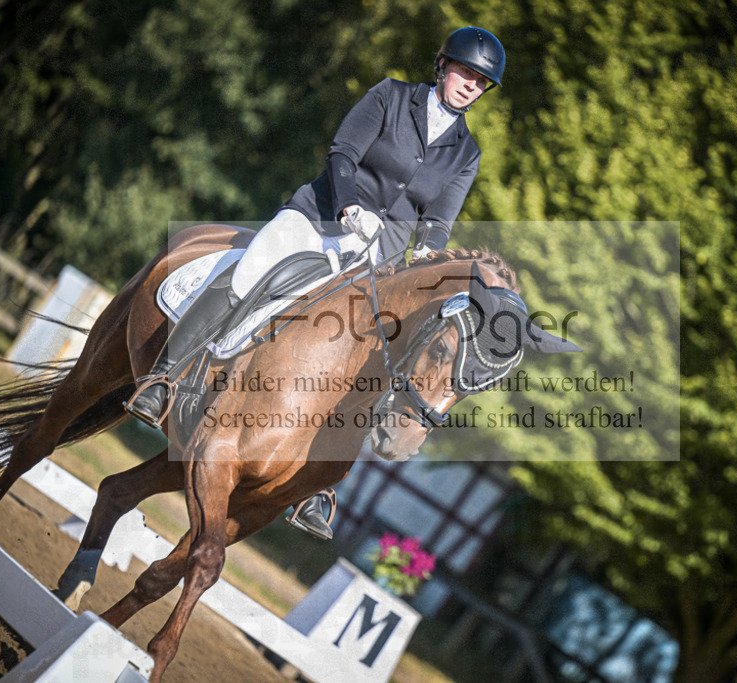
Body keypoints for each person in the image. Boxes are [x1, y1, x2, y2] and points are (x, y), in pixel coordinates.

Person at [125, 26, 506, 539]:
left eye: (482, 83)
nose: (471, 86)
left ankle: (320, 483)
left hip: (383, 257)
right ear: (442, 66)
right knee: (254, 267)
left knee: (384, 351)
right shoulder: (391, 96)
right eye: (466, 73)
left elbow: (438, 221)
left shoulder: (466, 152)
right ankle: (164, 378)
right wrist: (348, 205)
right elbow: (343, 153)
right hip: (323, 218)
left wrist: (425, 258)